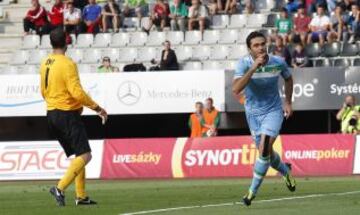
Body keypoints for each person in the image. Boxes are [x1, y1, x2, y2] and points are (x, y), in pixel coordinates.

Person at [40, 28, 108, 206]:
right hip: (66, 114)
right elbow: (76, 92)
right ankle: (60, 188)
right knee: (86, 155)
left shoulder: (45, 62)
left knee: (79, 153)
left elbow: (43, 91)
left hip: (51, 113)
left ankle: (81, 196)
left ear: (51, 43)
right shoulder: (67, 63)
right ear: (67, 42)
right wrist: (97, 108)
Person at [232, 31, 296, 206]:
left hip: (273, 111)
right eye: (256, 45)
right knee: (266, 153)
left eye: (262, 44)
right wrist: (253, 68)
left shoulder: (278, 62)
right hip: (252, 114)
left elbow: (289, 79)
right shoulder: (243, 64)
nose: (260, 48)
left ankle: (251, 192)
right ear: (249, 49)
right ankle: (286, 171)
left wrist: (288, 103)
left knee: (265, 146)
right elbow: (236, 89)